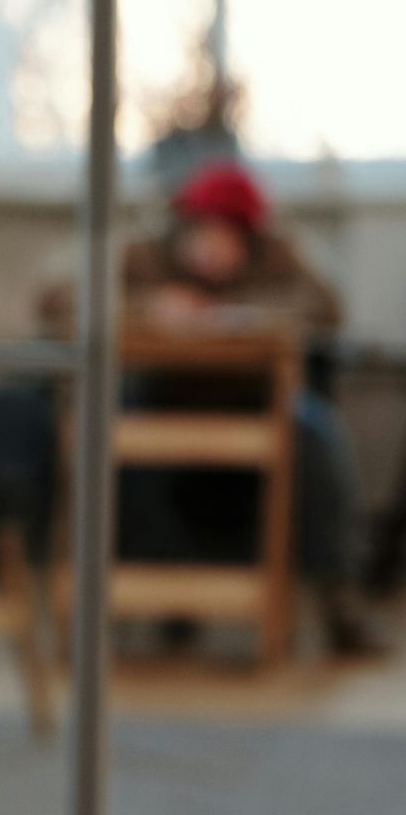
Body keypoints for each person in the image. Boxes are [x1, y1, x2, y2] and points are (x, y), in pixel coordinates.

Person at [41, 161, 383, 654]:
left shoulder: (278, 255)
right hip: (159, 398)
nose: (213, 245)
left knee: (318, 433)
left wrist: (241, 311)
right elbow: (55, 298)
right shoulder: (142, 253)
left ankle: (340, 597)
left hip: (253, 401)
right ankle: (151, 602)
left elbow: (327, 307)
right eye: (204, 230)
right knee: (109, 441)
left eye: (228, 234)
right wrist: (149, 306)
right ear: (184, 225)